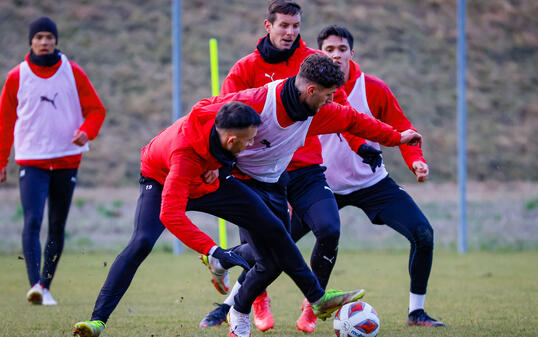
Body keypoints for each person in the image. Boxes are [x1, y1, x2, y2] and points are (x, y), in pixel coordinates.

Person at [72, 94, 367, 337]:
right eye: (247, 141)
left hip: (209, 180)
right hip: (161, 177)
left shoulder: (225, 120)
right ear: (229, 140)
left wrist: (219, 166)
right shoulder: (185, 155)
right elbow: (170, 214)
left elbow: (203, 104)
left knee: (274, 228)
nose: (251, 144)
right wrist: (212, 249)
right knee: (141, 243)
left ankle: (317, 299)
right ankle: (98, 321)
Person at [192, 53, 422, 337]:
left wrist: (397, 137)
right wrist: (210, 162)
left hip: (275, 182)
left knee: (272, 261)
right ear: (311, 91)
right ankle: (252, 312)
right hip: (241, 183)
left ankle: (224, 261)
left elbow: (354, 120)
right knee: (273, 252)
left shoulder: (319, 110)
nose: (331, 101)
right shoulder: (259, 101)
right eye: (328, 95)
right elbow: (201, 112)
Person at [199, 1, 367, 333]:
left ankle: (311, 307)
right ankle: (254, 299)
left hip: (304, 170)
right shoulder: (246, 68)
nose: (290, 32)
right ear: (268, 26)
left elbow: (343, 112)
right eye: (284, 26)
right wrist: (216, 162)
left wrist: (364, 145)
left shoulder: (313, 64)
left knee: (329, 230)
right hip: (257, 174)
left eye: (296, 26)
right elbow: (223, 119)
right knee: (270, 252)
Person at [306, 25, 445, 327]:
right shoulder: (308, 89)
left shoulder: (373, 88)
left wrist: (416, 161)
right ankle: (231, 306)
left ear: (351, 53)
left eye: (342, 49)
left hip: (371, 183)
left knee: (423, 234)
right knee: (273, 240)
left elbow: (401, 128)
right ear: (319, 53)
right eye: (329, 50)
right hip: (319, 185)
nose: (336, 55)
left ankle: (416, 312)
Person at [0, 17, 106, 306]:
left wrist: (87, 132)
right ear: (31, 42)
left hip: (66, 161)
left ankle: (45, 286)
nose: (44, 42)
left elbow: (96, 110)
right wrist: (1, 161)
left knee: (57, 225)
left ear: (56, 40)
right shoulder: (17, 76)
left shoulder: (72, 72)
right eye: (39, 37)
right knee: (33, 220)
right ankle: (34, 284)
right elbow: (4, 123)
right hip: (32, 161)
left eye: (49, 37)